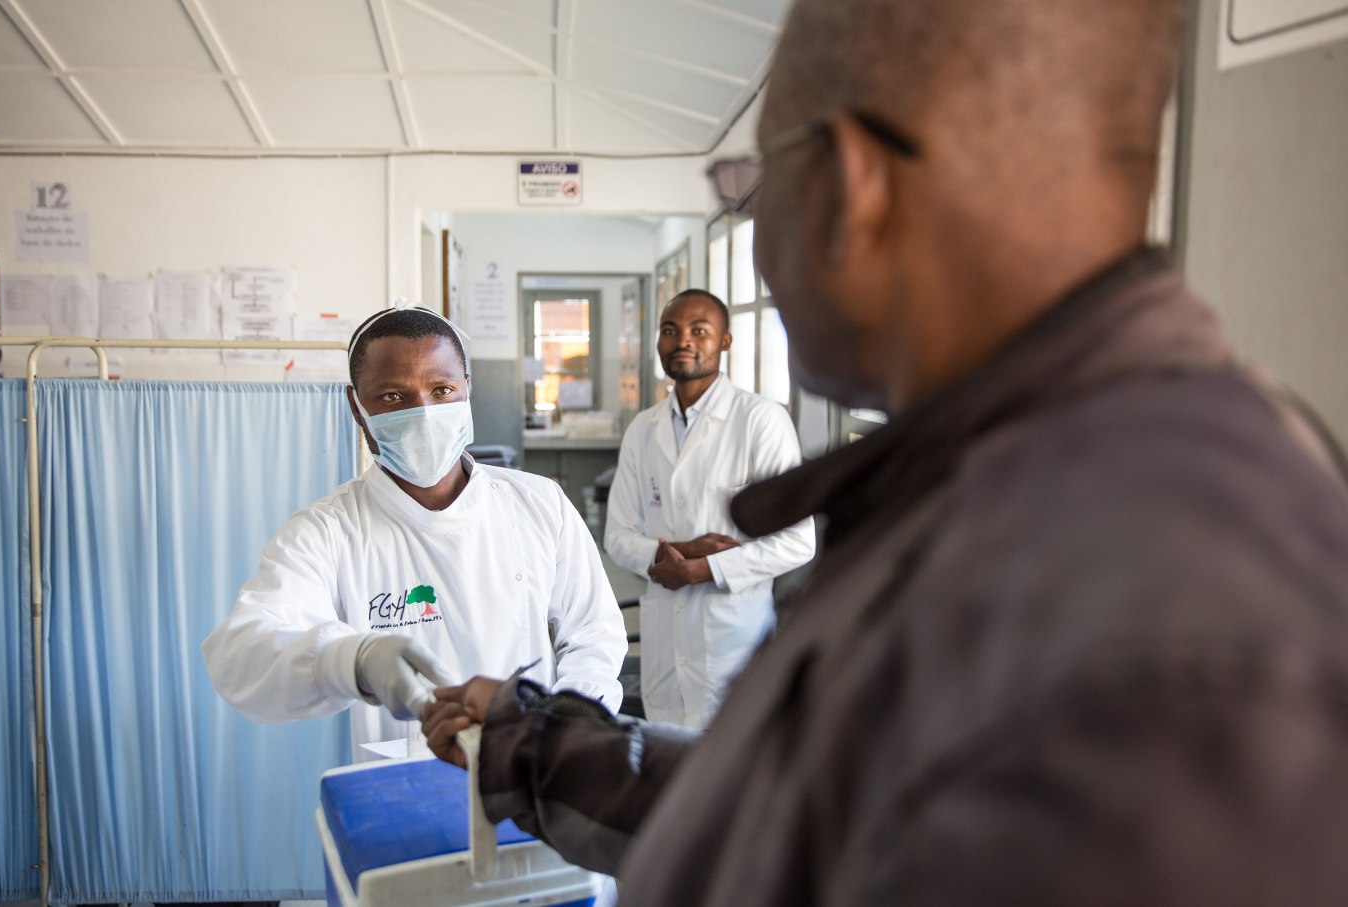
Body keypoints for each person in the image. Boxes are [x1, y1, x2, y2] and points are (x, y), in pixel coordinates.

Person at [422, 0, 1348, 903]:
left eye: (754, 187)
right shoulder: (1006, 488)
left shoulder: (1178, 623)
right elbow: (798, 806)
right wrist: (534, 738)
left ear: (853, 186)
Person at [202, 306, 627, 757]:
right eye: (391, 397)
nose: (423, 413)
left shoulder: (539, 504)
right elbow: (241, 656)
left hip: (534, 768)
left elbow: (594, 636)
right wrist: (352, 661)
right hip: (400, 789)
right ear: (356, 405)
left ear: (467, 390)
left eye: (441, 389)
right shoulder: (328, 530)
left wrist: (559, 724)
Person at [605, 289, 814, 728]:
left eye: (700, 331)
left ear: (724, 342)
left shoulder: (761, 420)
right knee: (668, 767)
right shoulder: (643, 430)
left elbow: (799, 542)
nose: (684, 341)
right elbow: (617, 538)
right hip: (664, 641)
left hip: (734, 640)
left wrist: (703, 569)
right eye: (670, 331)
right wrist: (678, 551)